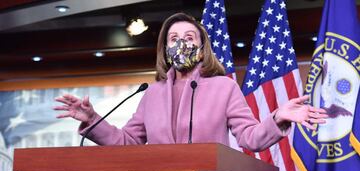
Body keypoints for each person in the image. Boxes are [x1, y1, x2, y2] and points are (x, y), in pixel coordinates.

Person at [54, 13, 327, 151]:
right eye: (174, 39)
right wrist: (92, 120)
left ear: (201, 47)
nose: (181, 44)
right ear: (164, 48)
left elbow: (250, 138)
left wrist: (278, 116)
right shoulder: (152, 94)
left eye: (189, 38)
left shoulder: (223, 87)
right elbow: (127, 143)